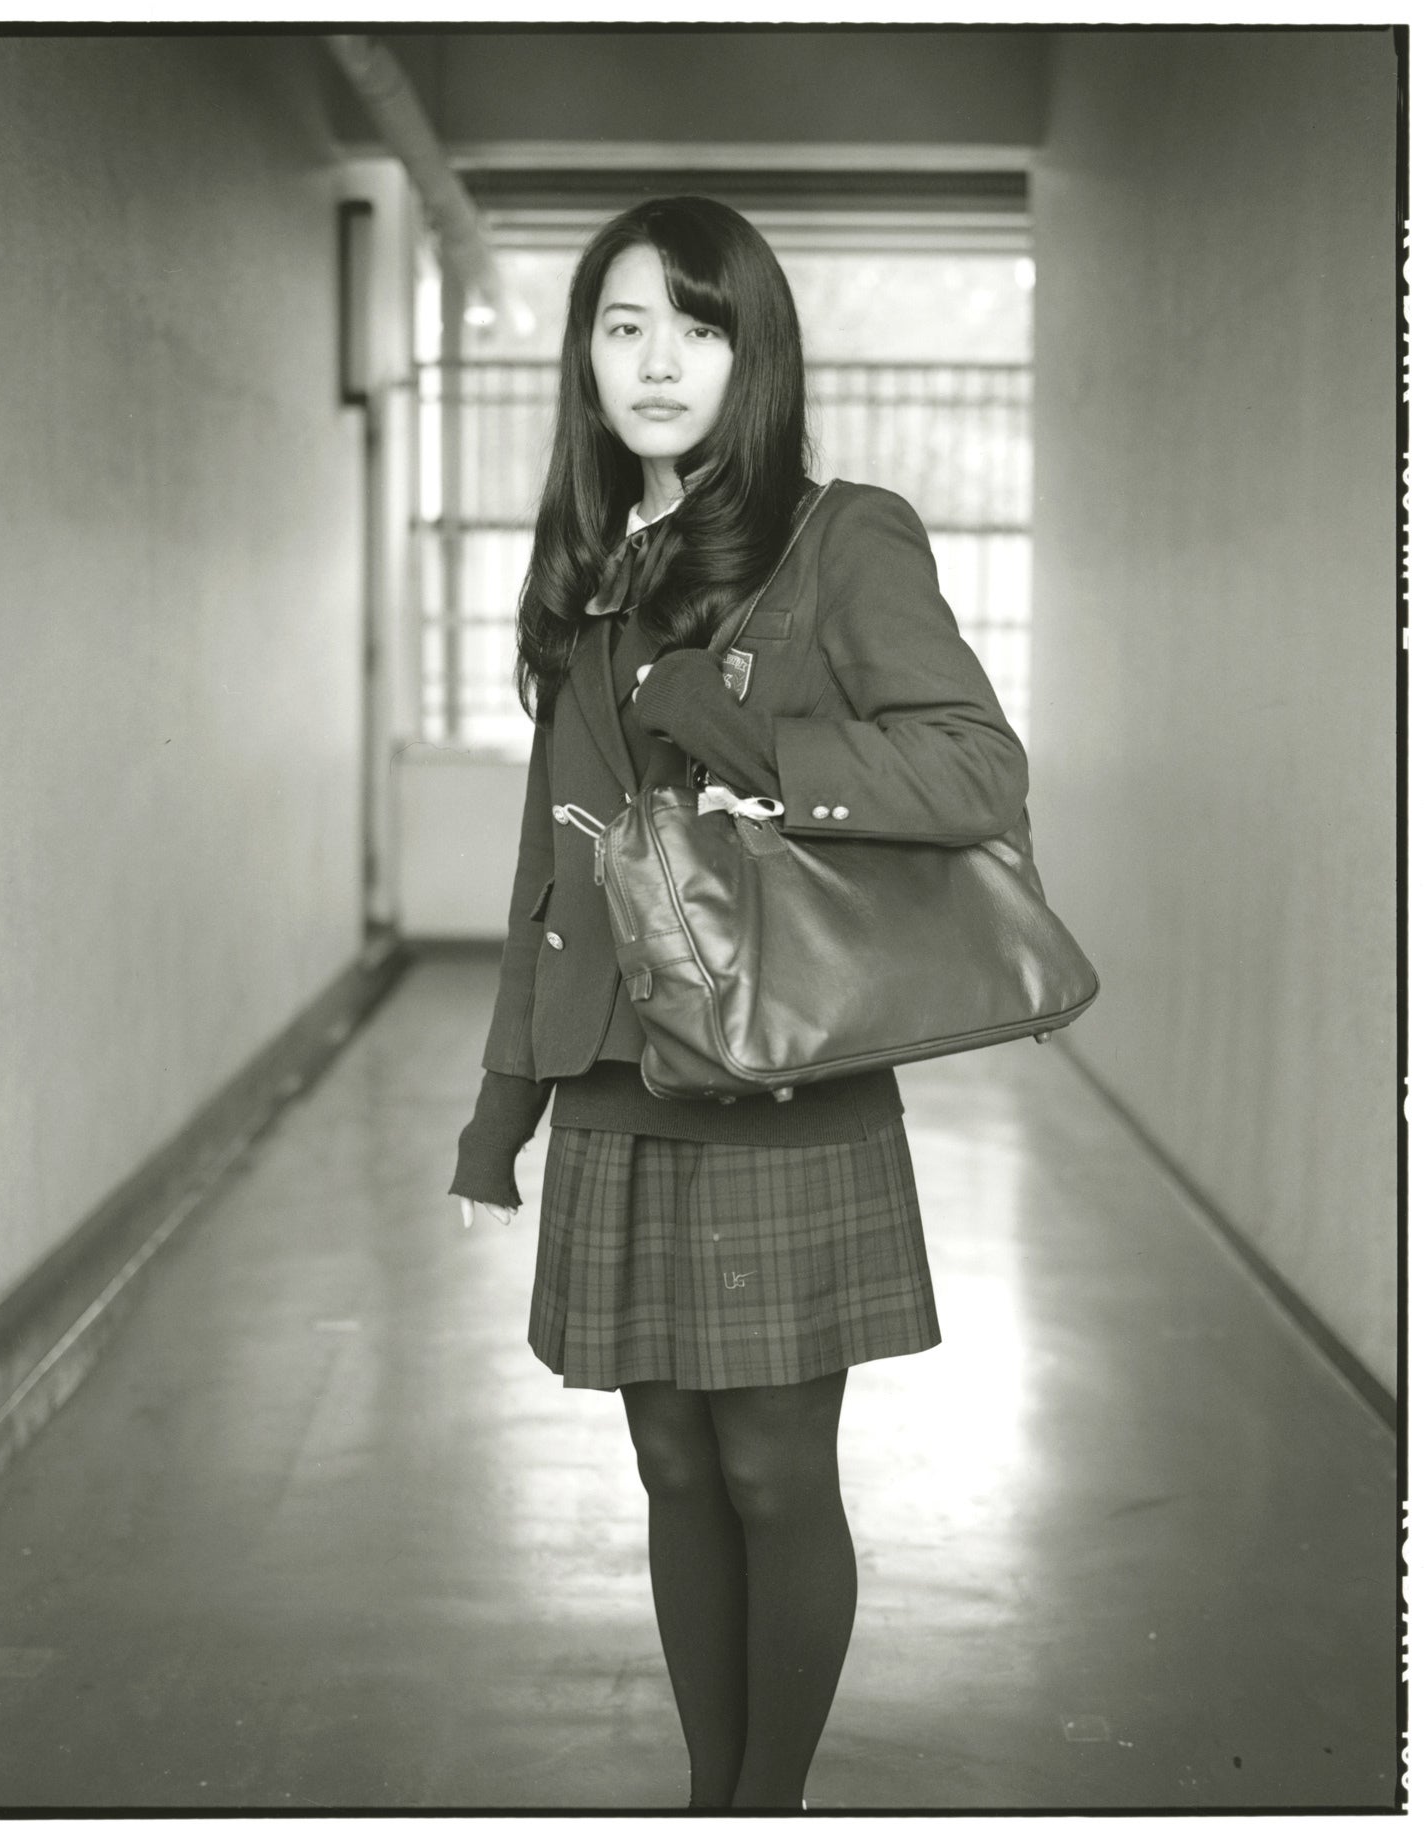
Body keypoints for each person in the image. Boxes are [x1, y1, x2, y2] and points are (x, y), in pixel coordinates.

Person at [451, 195, 1028, 1811]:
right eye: (624, 325)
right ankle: (715, 1797)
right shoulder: (587, 566)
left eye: (698, 328)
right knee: (670, 1463)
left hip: (783, 1071)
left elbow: (979, 769)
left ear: (751, 353)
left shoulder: (842, 536)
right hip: (615, 1079)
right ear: (585, 355)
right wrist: (501, 1110)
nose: (658, 361)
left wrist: (741, 727)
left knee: (773, 1467)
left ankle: (769, 1803)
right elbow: (550, 863)